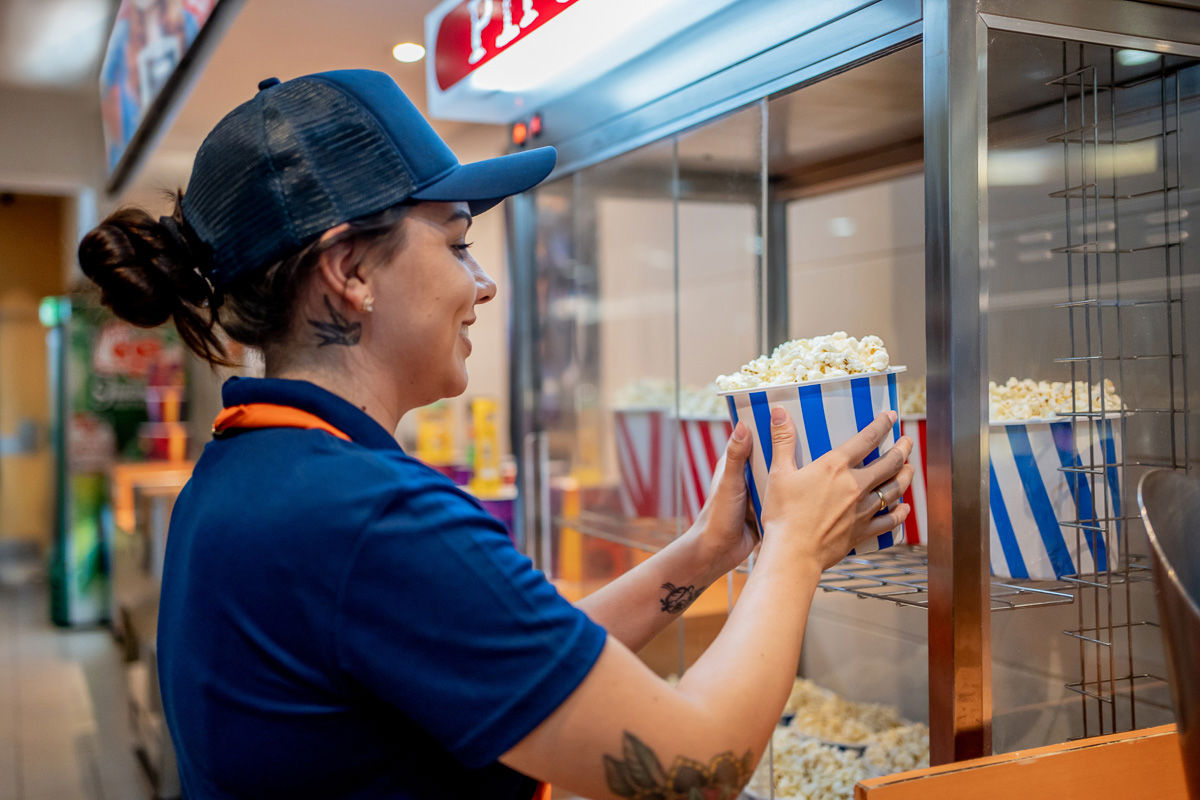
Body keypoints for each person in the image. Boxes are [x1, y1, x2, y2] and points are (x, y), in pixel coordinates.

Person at [78, 70, 913, 799]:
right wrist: (796, 550)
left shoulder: (247, 471)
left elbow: (522, 663)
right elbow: (698, 765)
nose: (482, 286)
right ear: (350, 271)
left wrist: (706, 553)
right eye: (456, 242)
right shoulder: (366, 517)